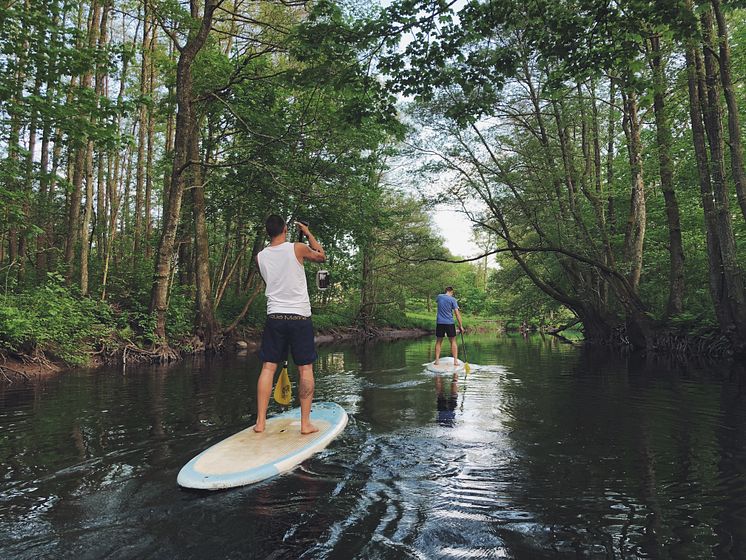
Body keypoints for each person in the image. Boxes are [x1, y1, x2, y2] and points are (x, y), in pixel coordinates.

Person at [254, 215, 325, 434]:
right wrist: (308, 233)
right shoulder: (298, 247)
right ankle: (305, 425)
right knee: (305, 369)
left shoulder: (260, 256)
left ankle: (260, 423)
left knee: (268, 367)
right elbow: (322, 256)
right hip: (299, 317)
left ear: (268, 231)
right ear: (285, 229)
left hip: (275, 316)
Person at [434, 286, 464, 366]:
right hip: (449, 323)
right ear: (451, 292)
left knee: (439, 341)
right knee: (453, 341)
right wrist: (460, 326)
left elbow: (438, 302)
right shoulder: (453, 300)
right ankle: (455, 361)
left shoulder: (439, 296)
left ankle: (437, 361)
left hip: (440, 322)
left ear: (446, 290)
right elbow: (457, 313)